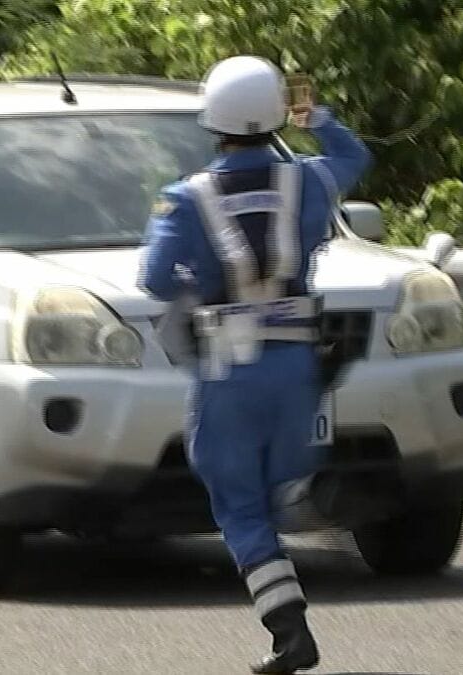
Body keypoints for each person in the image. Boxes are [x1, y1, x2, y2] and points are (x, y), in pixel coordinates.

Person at [138, 56, 370, 674]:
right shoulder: (313, 182)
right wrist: (315, 117)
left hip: (231, 371)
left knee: (238, 505)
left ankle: (290, 631)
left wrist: (198, 275)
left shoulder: (186, 199)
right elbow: (355, 159)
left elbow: (155, 280)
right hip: (299, 365)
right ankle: (304, 486)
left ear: (213, 120)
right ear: (273, 116)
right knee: (270, 484)